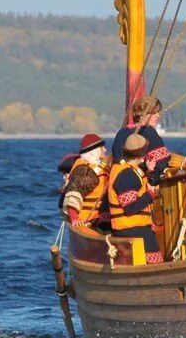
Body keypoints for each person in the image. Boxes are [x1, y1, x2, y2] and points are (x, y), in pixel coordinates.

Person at [106, 133, 164, 264]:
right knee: (156, 263)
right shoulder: (127, 175)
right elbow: (130, 208)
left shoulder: (129, 170)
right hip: (133, 230)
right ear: (142, 155)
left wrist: (149, 171)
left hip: (134, 228)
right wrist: (150, 194)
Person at [112, 95, 178, 184]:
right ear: (141, 115)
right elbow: (161, 164)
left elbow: (117, 159)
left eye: (158, 112)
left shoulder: (122, 133)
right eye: (153, 113)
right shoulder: (149, 132)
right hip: (142, 184)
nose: (158, 116)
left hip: (119, 181)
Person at [62, 133, 111, 231]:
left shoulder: (101, 167)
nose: (105, 150)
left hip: (101, 218)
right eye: (102, 147)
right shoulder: (85, 171)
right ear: (94, 151)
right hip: (88, 221)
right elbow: (73, 194)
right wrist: (74, 219)